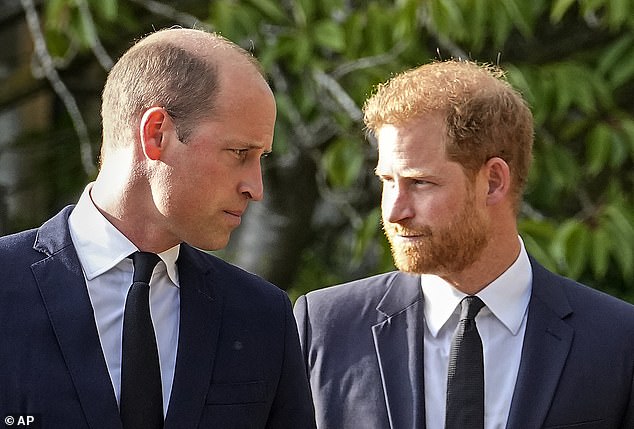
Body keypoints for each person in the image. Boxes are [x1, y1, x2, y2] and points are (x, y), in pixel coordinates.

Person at [0, 28, 316, 429]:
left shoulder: (262, 317)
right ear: (156, 134)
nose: (256, 188)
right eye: (239, 153)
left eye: (260, 158)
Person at [294, 60, 634, 429]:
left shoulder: (616, 341)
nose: (393, 211)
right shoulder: (327, 327)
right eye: (387, 181)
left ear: (493, 181)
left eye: (420, 183)